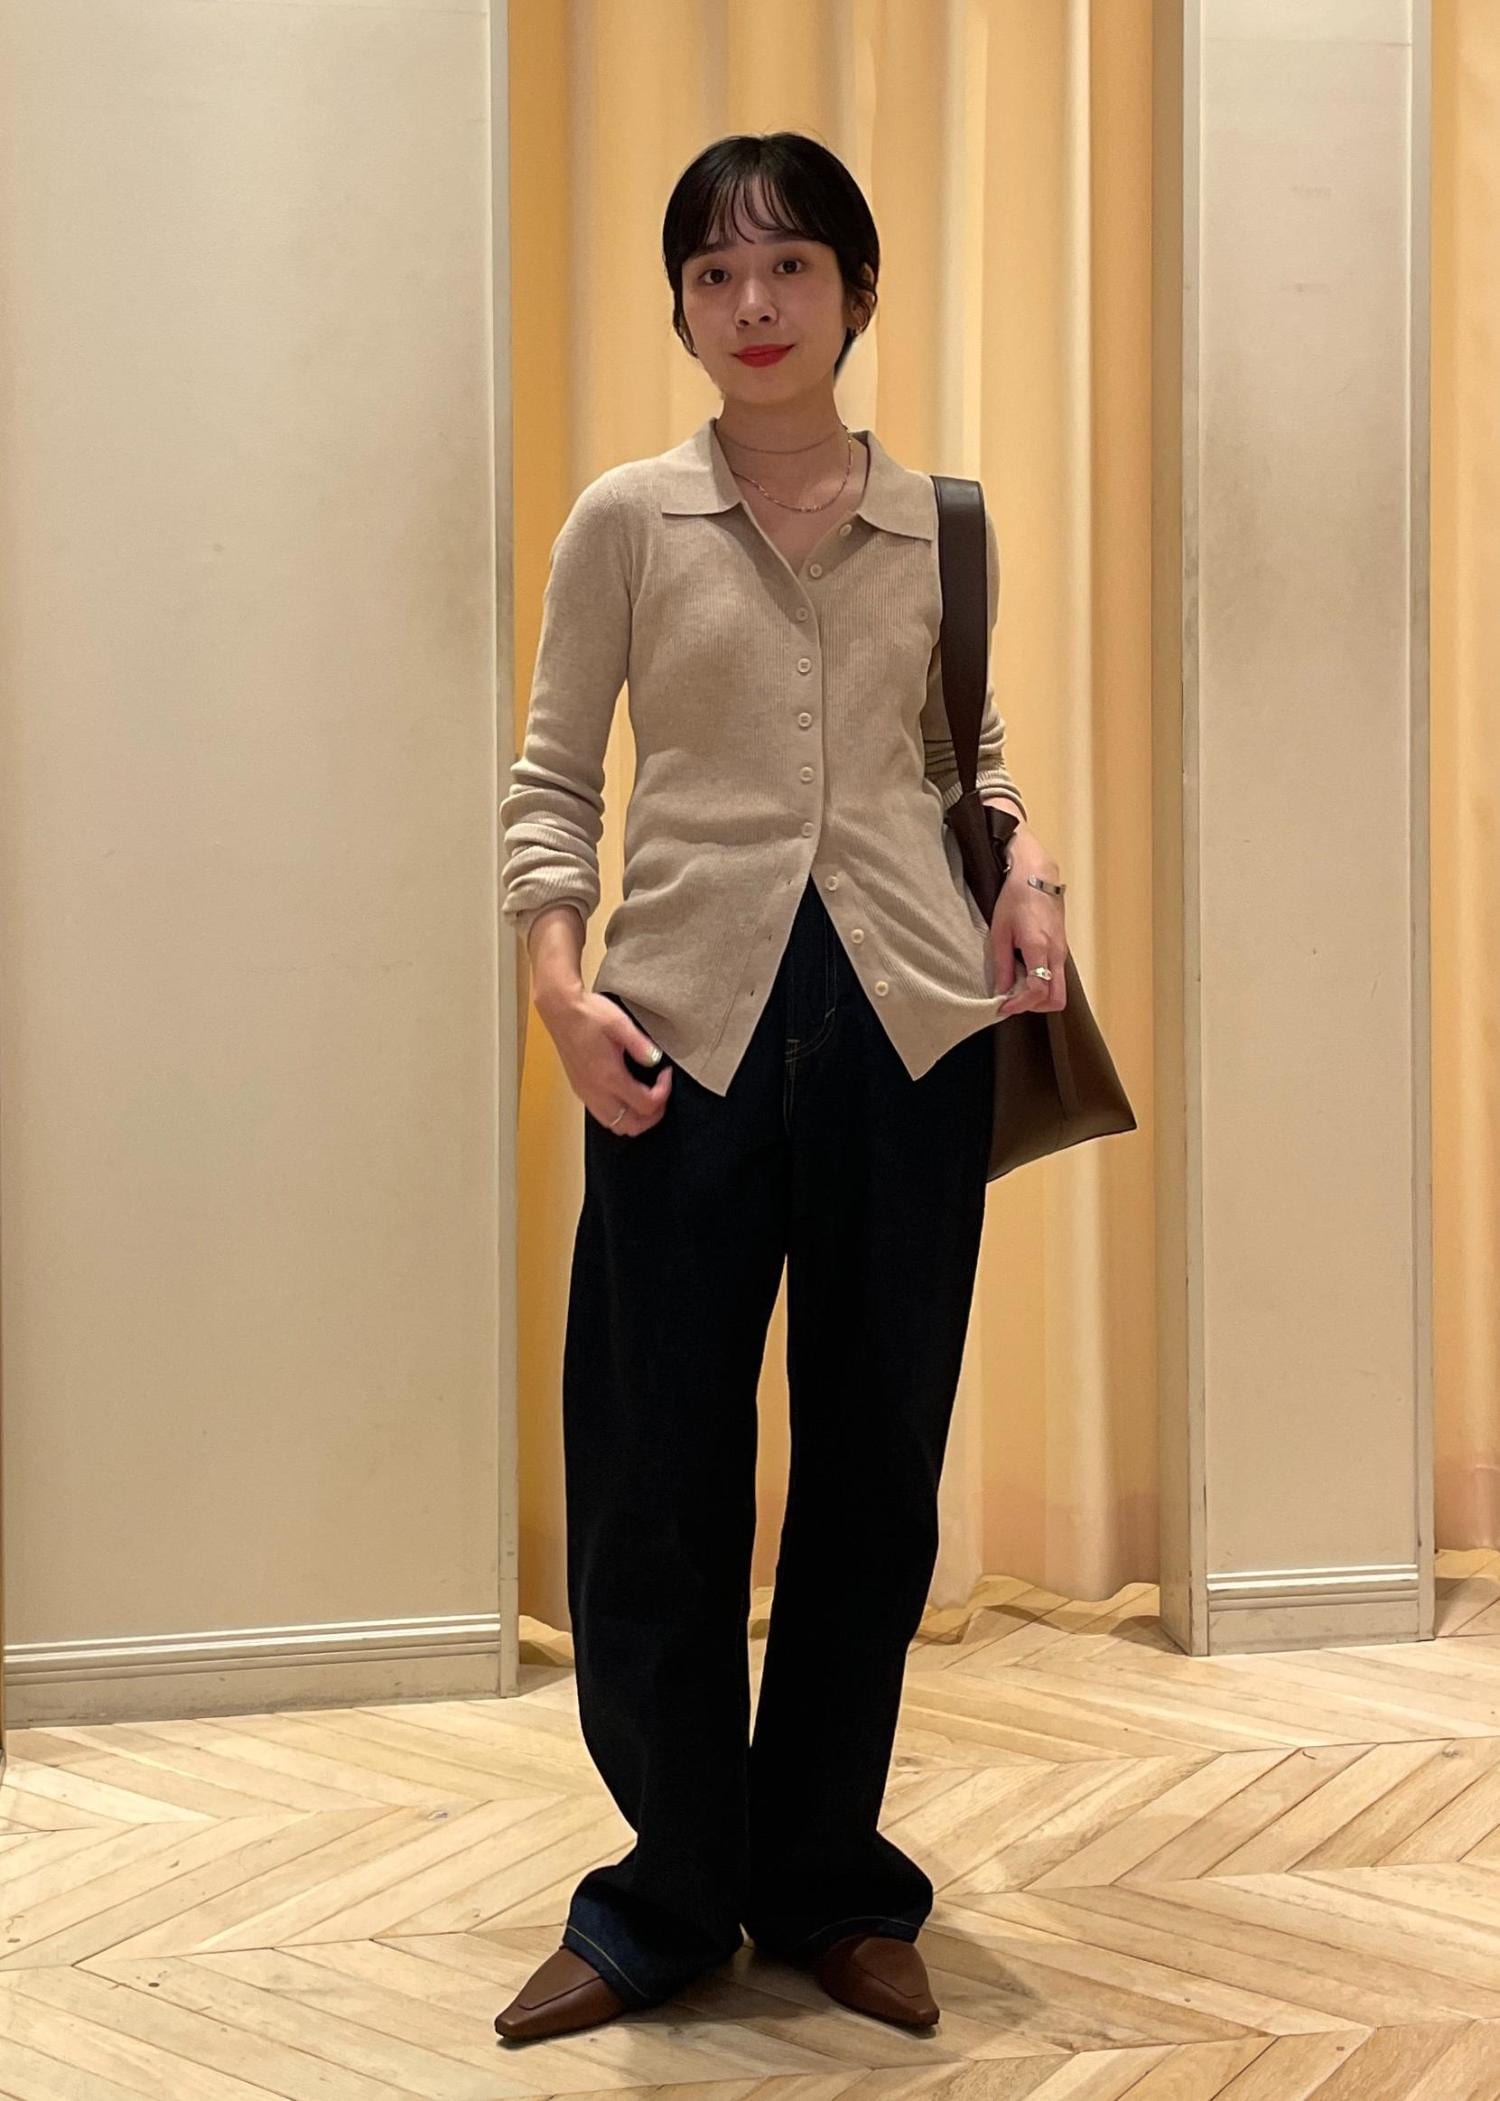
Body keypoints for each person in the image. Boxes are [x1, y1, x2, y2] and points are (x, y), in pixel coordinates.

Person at [494, 131, 1067, 2045]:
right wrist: (559, 992)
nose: (755, 304)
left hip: (908, 1031)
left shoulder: (942, 525)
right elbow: (553, 780)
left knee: (875, 1472)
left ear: (857, 291)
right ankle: (666, 1892)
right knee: (652, 1478)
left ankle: (830, 1877)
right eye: (717, 273)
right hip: (679, 1036)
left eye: (793, 266)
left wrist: (1031, 867)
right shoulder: (625, 522)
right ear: (680, 306)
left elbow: (964, 753)